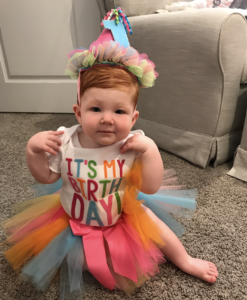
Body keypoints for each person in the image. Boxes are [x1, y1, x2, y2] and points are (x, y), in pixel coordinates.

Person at [2, 7, 218, 298]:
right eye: (95, 109)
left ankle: (184, 259)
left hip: (121, 214)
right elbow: (45, 177)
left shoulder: (132, 144)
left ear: (133, 118)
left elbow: (151, 187)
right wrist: (32, 151)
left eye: (119, 111)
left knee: (152, 225)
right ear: (78, 112)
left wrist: (151, 150)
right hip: (73, 218)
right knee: (77, 260)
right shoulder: (64, 140)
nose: (107, 118)